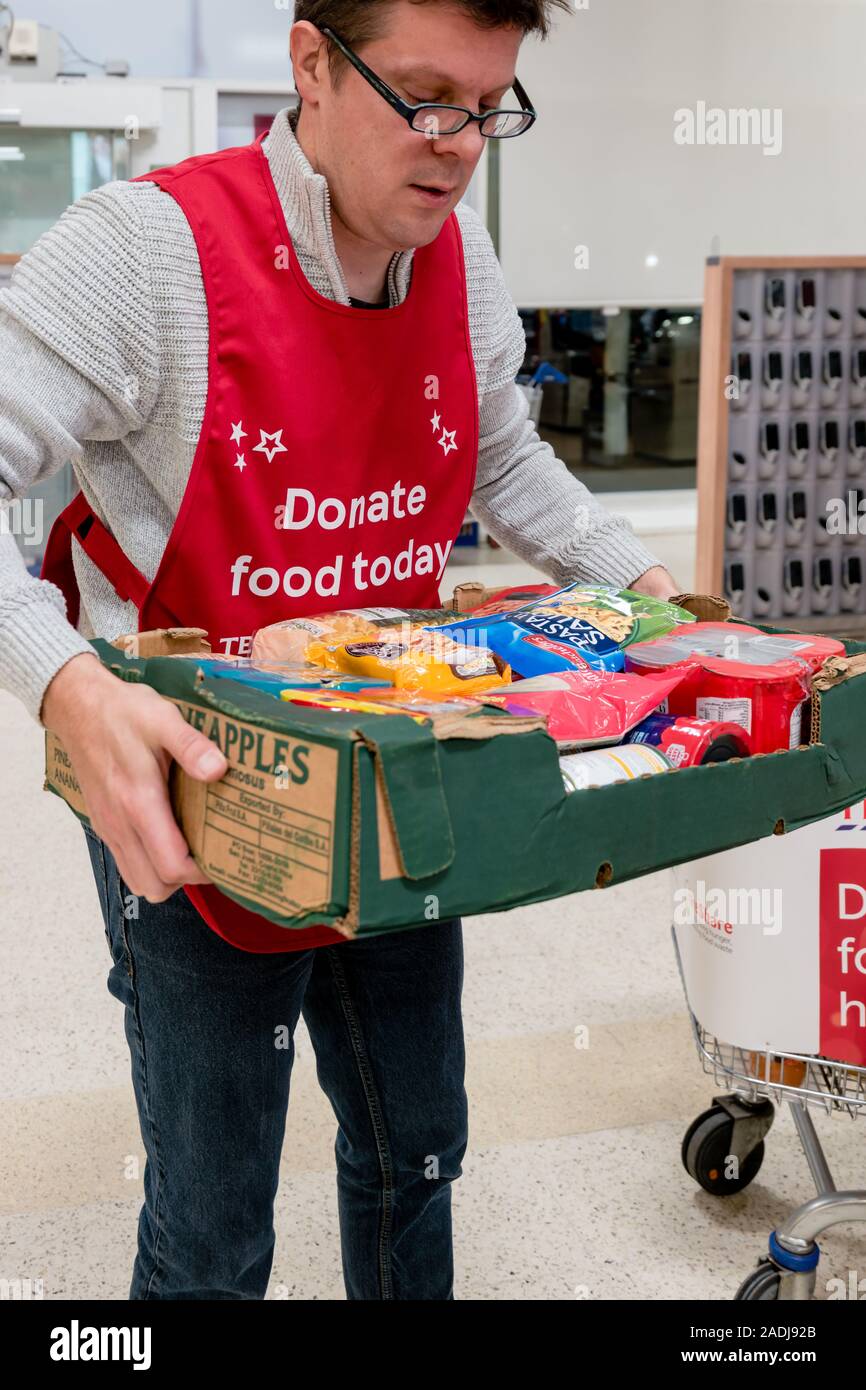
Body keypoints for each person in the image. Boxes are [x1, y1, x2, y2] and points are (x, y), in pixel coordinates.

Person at [0, 0, 679, 1299]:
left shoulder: (460, 258)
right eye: (423, 96)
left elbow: (500, 456)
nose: (459, 143)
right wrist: (65, 680)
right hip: (196, 800)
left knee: (416, 1143)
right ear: (310, 60)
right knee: (213, 1222)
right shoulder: (148, 253)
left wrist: (646, 589)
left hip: (393, 768)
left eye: (488, 106)